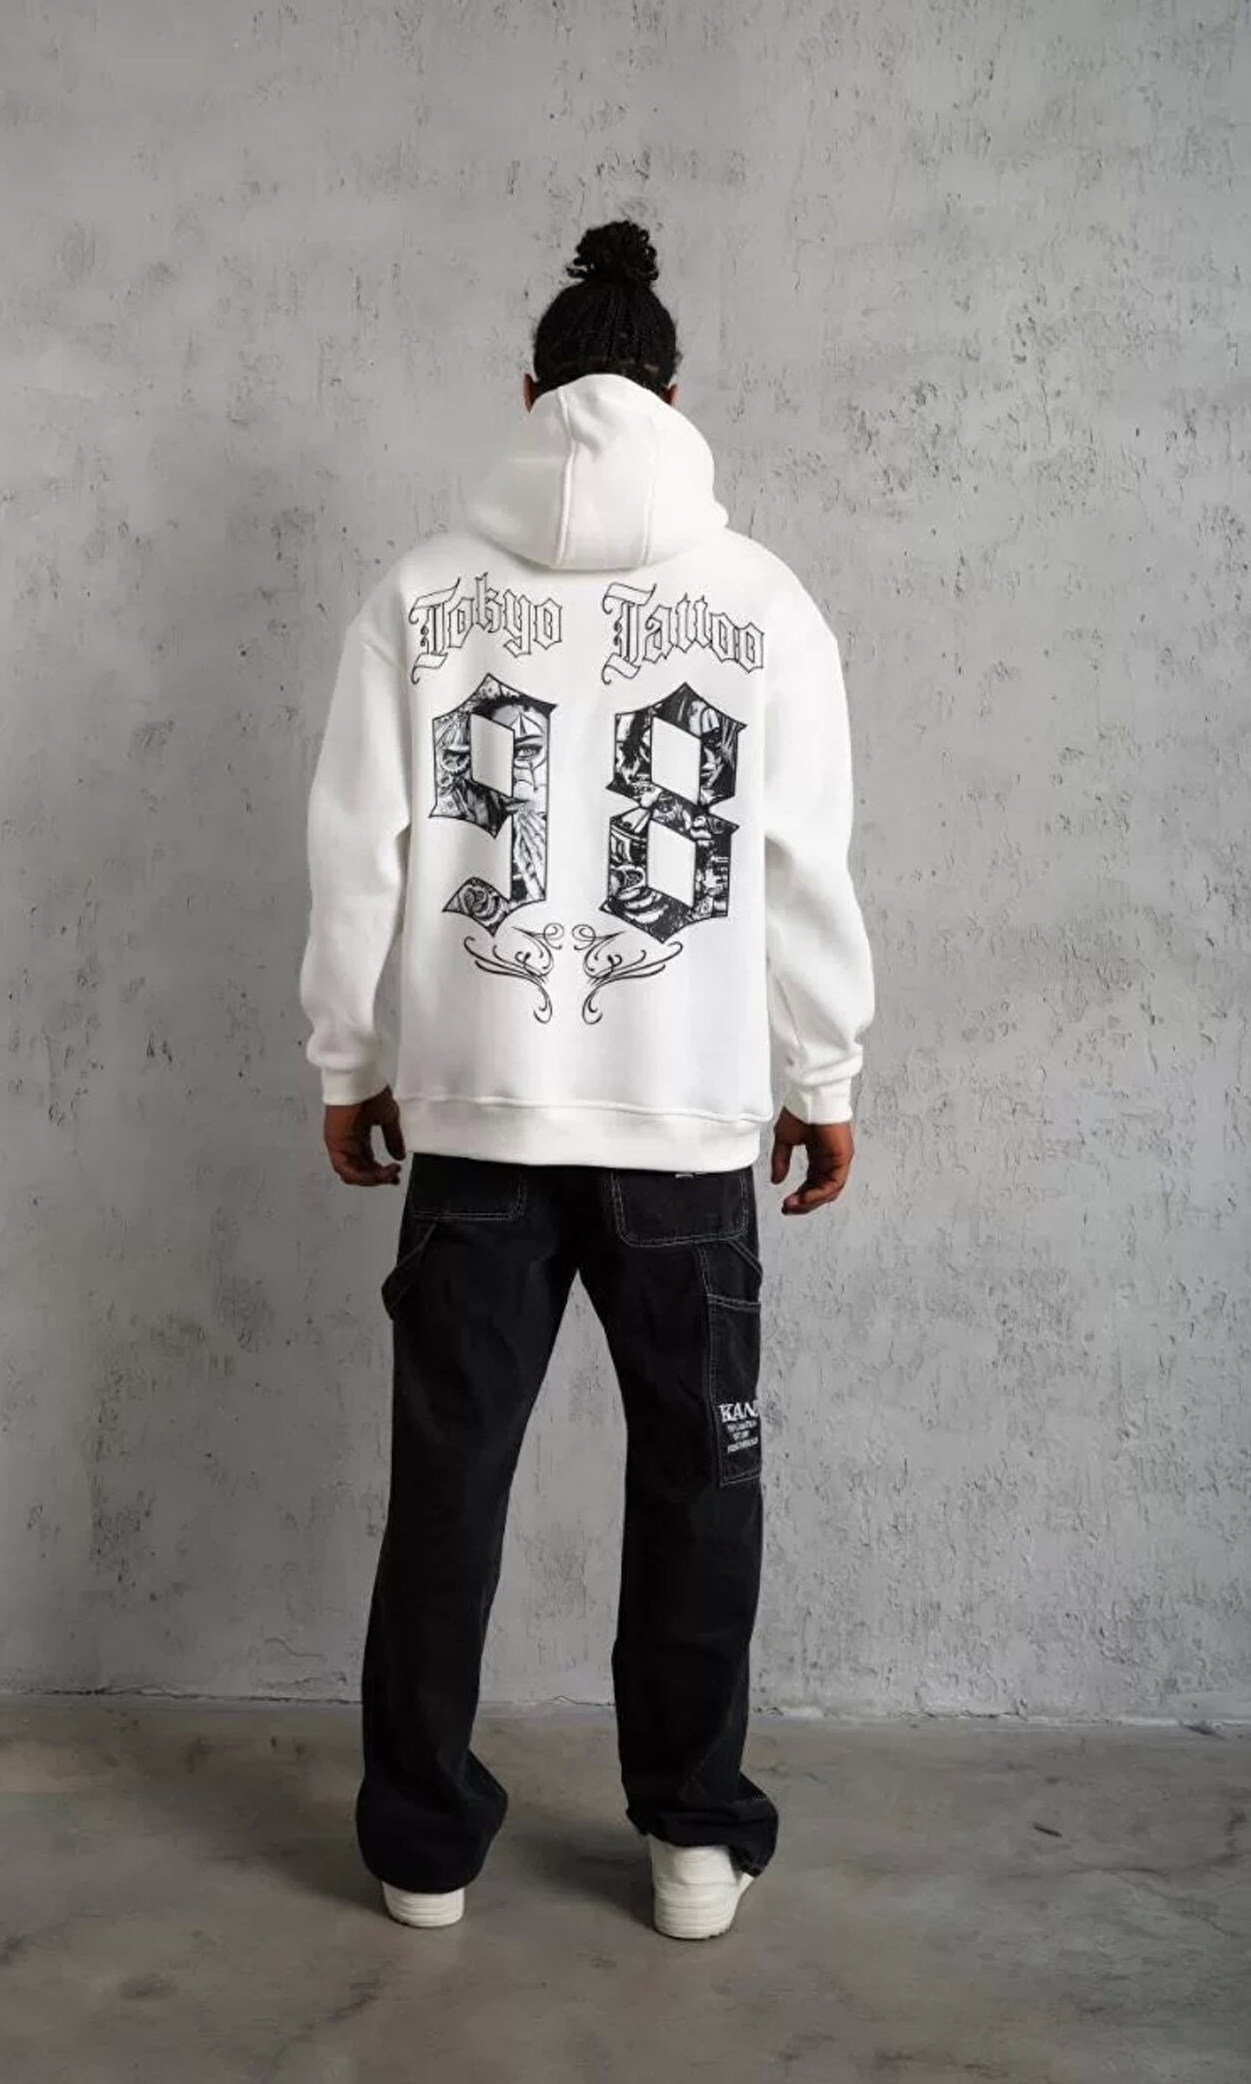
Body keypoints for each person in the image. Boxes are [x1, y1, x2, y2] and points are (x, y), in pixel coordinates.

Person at [299, 219, 875, 1940]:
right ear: (677, 399)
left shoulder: (419, 595)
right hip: (684, 1124)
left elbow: (356, 854)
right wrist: (821, 1073)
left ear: (527, 392)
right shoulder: (762, 601)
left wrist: (351, 1058)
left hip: (475, 1116)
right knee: (702, 1481)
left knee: (448, 1485)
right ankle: (693, 1838)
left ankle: (420, 1849)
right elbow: (802, 865)